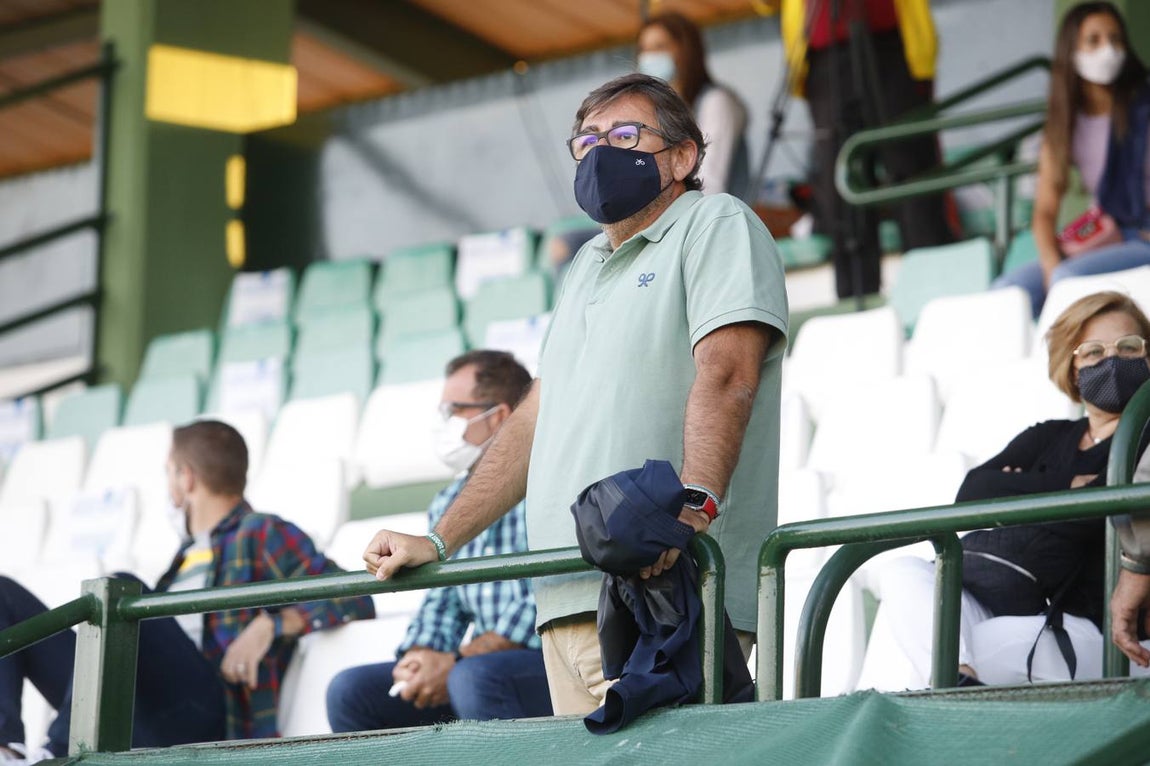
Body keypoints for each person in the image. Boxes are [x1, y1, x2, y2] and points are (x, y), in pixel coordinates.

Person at [363, 73, 789, 716]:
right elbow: (537, 418)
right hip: (562, 597)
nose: (600, 152)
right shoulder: (584, 264)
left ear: (682, 156)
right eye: (586, 140)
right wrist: (443, 541)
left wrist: (693, 509)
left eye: (624, 135)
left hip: (663, 585)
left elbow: (727, 376)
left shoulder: (715, 223)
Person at [0, 420, 374, 762]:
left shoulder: (260, 532)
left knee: (123, 595)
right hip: (140, 709)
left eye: (169, 472)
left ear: (186, 477)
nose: (169, 484)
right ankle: (7, 748)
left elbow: (356, 594)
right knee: (3, 593)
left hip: (206, 716)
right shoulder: (182, 558)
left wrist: (271, 626)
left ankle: (57, 751)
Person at [856, 291, 1150, 690]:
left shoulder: (1144, 439)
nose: (1113, 361)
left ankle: (956, 692)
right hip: (1003, 597)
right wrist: (1065, 486)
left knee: (966, 649)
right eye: (1094, 351)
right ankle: (960, 685)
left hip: (1092, 627)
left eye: (1129, 347)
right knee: (900, 572)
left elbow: (1090, 519)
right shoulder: (1049, 435)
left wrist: (1019, 493)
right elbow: (974, 491)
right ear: (1072, 367)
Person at [326, 351, 551, 732]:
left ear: (497, 416)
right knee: (351, 692)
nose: (442, 424)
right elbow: (441, 599)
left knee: (473, 678)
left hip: (545, 660)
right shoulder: (448, 502)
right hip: (474, 664)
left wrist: (456, 661)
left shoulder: (549, 482)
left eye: (454, 411)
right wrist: (420, 656)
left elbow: (542, 597)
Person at [781, 0, 953, 300]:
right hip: (824, 55)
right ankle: (856, 305)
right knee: (843, 187)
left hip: (891, 44)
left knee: (912, 179)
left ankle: (937, 296)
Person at [995, 2, 1150, 318]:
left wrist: (1060, 277)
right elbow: (1044, 212)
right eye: (1093, 41)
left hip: (1143, 237)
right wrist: (1051, 265)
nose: (1107, 49)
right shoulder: (1065, 125)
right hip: (1107, 235)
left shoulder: (1143, 107)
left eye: (1115, 39)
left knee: (1070, 280)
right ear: (1071, 51)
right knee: (1008, 290)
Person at [637, 12, 750, 198]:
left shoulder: (716, 102)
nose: (649, 56)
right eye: (644, 48)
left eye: (660, 46)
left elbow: (710, 183)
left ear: (685, 50)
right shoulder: (658, 111)